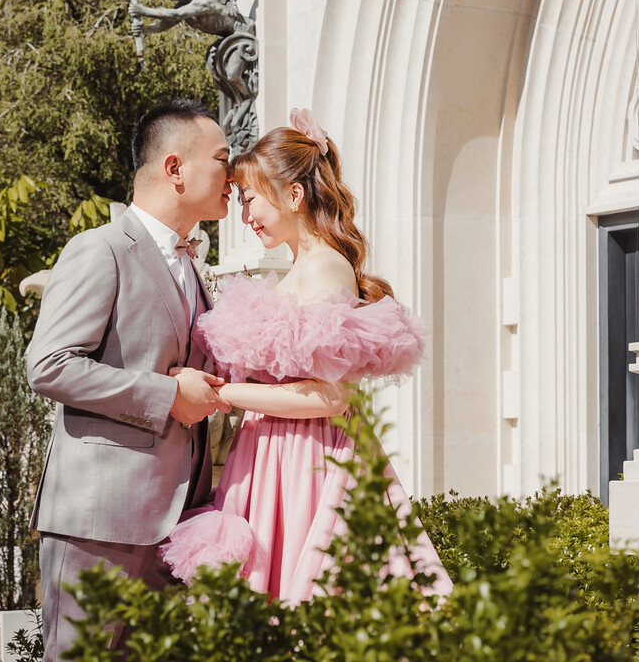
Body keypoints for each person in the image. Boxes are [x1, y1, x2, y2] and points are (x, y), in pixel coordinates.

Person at [158, 109, 450, 602]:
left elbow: (331, 398)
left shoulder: (323, 268)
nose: (246, 216)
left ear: (293, 195)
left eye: (251, 200)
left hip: (305, 456)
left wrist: (224, 393)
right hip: (274, 451)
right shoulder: (303, 267)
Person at [24, 99, 232, 662]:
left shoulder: (192, 266)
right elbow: (49, 364)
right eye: (222, 159)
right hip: (100, 521)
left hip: (180, 523)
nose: (233, 174)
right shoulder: (100, 249)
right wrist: (168, 395)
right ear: (175, 168)